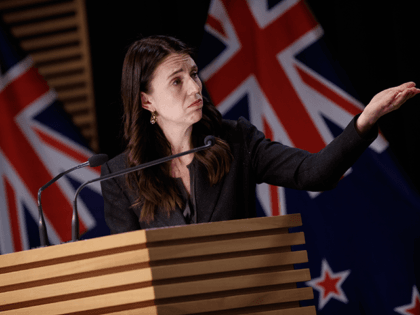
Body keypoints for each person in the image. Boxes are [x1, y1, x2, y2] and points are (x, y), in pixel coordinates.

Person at [100, 35, 420, 234]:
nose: (195, 87)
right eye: (176, 81)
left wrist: (366, 120)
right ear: (147, 100)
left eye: (194, 74)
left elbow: (314, 173)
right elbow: (132, 269)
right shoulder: (120, 176)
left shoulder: (235, 140)